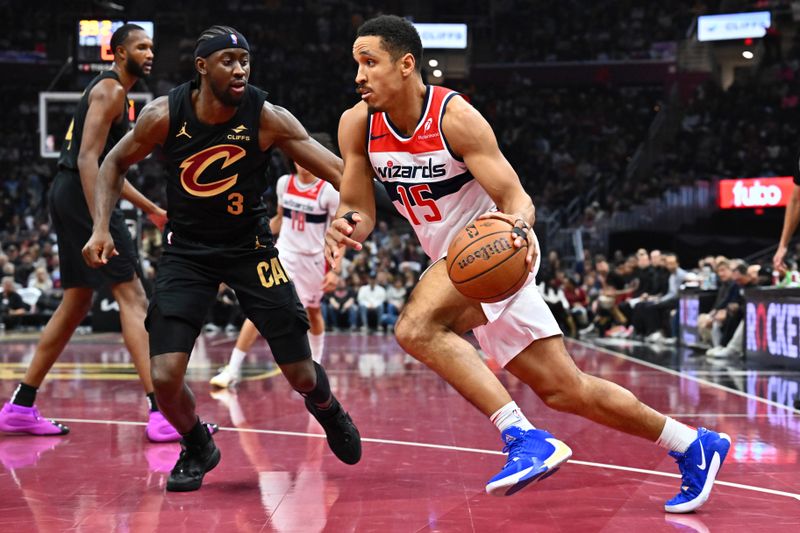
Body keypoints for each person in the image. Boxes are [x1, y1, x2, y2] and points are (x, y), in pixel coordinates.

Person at [325, 15, 729, 512]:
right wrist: (346, 225)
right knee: (566, 389)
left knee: (415, 327)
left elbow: (515, 196)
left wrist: (517, 232)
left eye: (370, 62)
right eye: (356, 64)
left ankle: (523, 437)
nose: (359, 75)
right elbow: (359, 207)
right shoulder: (356, 124)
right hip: (459, 263)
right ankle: (693, 445)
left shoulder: (454, 117)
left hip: (495, 250)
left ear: (406, 65)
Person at [83, 25, 361, 492]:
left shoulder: (266, 116)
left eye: (244, 60)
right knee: (166, 375)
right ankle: (197, 444)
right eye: (228, 60)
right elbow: (111, 163)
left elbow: (339, 171)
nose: (240, 69)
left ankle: (327, 406)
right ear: (202, 67)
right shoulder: (161, 115)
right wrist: (98, 227)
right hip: (187, 252)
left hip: (249, 249)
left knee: (299, 373)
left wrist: (352, 216)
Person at [0, 24, 197, 443]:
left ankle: (19, 406)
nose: (149, 53)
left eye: (151, 47)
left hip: (68, 192)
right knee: (133, 296)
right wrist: (102, 225)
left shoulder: (113, 94)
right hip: (81, 192)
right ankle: (162, 413)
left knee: (76, 302)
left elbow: (109, 168)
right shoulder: (110, 91)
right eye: (141, 46)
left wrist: (152, 210)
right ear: (118, 52)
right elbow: (90, 161)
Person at [210, 133, 341, 388]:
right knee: (261, 309)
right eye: (300, 158)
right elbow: (281, 218)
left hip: (313, 259)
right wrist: (252, 236)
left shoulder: (328, 191)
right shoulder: (284, 183)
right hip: (283, 254)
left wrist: (337, 268)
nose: (303, 163)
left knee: (313, 312)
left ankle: (316, 362)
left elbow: (338, 232)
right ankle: (232, 369)